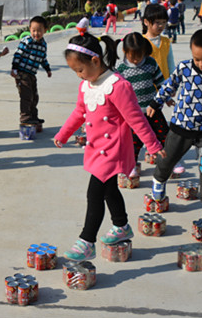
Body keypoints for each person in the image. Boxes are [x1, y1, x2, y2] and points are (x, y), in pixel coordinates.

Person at [53, 33, 165, 261]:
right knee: (109, 190)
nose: (78, 76)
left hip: (112, 149)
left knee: (94, 192)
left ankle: (87, 241)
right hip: (96, 147)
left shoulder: (118, 86)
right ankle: (121, 225)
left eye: (80, 70)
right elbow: (79, 112)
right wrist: (63, 134)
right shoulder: (86, 85)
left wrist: (152, 145)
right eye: (75, 71)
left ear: (95, 61)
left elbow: (136, 119)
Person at [148, 29, 202, 229]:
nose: (201, 64)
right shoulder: (184, 68)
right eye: (196, 59)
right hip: (181, 126)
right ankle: (159, 182)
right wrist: (156, 102)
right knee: (167, 159)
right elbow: (169, 85)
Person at [116, 33, 171, 179]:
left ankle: (170, 162)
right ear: (124, 52)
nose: (135, 60)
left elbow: (160, 82)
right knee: (134, 142)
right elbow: (117, 92)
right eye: (131, 56)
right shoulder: (121, 69)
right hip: (133, 115)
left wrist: (167, 98)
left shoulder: (151, 63)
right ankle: (132, 165)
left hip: (153, 109)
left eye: (139, 56)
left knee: (164, 135)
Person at [11, 16, 52, 125]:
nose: (36, 33)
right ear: (30, 29)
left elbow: (43, 58)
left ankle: (33, 116)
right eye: (34, 30)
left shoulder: (43, 44)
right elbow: (18, 54)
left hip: (32, 74)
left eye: (39, 31)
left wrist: (47, 69)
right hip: (22, 72)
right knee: (26, 95)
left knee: (34, 96)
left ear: (45, 30)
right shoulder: (27, 41)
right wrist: (14, 68)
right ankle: (25, 117)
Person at [142, 4, 174, 79]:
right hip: (148, 87)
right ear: (146, 22)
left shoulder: (166, 41)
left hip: (164, 86)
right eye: (157, 22)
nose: (161, 25)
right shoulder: (140, 42)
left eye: (163, 22)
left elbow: (171, 65)